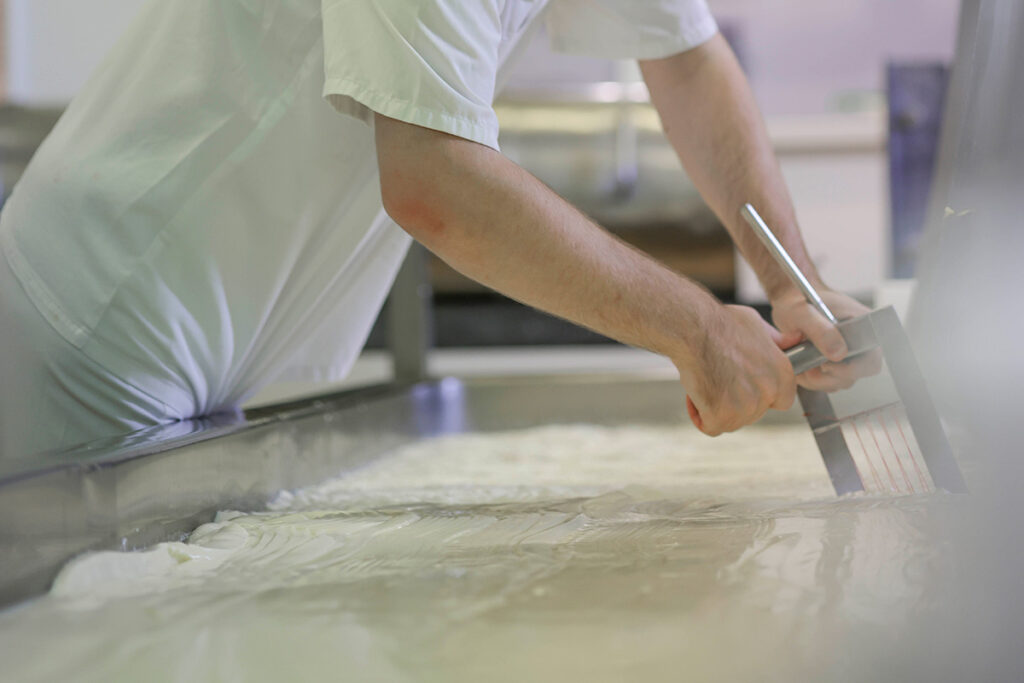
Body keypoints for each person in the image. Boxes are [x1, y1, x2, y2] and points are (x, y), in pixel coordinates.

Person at [0, 0, 875, 459]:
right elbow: (432, 179)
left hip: (194, 342)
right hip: (94, 324)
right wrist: (694, 328)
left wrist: (791, 277)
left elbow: (686, 56)